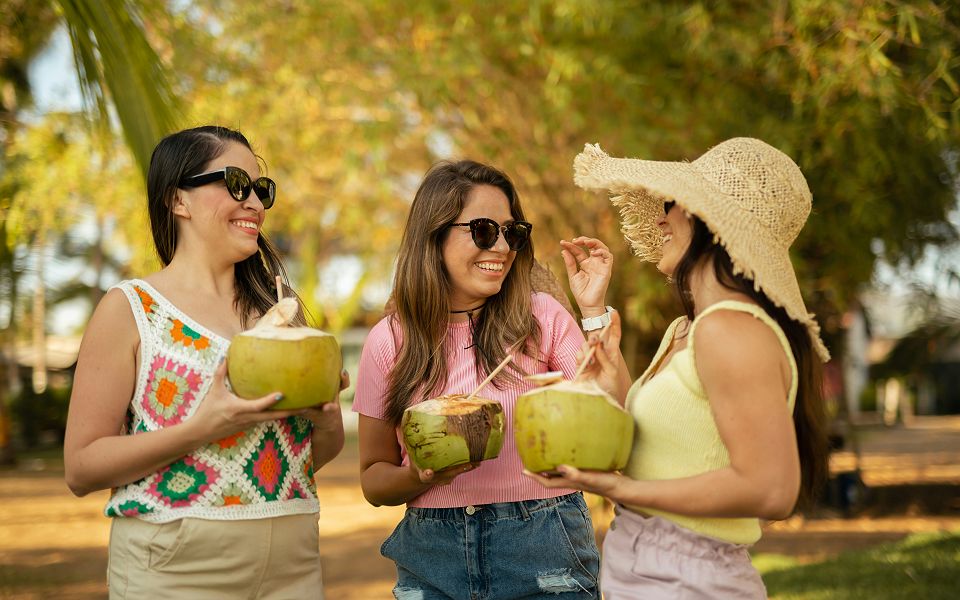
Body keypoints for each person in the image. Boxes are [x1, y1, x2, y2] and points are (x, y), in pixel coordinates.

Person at [529, 138, 831, 599]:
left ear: (710, 219)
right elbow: (656, 444)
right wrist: (592, 313)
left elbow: (772, 489)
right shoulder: (686, 330)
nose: (660, 217)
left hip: (688, 578)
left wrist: (621, 488)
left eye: (673, 203)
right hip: (645, 563)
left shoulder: (731, 331)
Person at [63, 125, 345, 599]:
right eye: (236, 183)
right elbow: (81, 466)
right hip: (177, 571)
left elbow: (308, 458)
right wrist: (202, 427)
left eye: (261, 189)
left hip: (292, 564)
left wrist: (326, 416)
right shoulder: (131, 308)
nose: (254, 202)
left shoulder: (279, 313)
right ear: (178, 199)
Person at [353, 160, 601, 599]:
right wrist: (423, 477)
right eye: (485, 230)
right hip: (432, 552)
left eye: (513, 232)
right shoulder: (388, 341)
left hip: (543, 540)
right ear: (435, 234)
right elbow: (374, 479)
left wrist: (594, 313)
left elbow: (605, 415)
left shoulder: (541, 317)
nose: (503, 247)